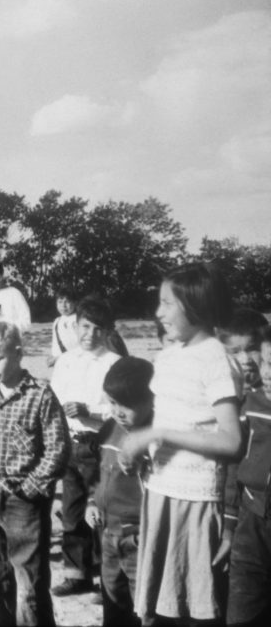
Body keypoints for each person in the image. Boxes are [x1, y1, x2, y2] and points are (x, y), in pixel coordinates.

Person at [120, 262, 242, 625]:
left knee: (192, 610)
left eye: (167, 303)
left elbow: (231, 440)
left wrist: (158, 435)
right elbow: (170, 417)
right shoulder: (170, 354)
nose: (158, 313)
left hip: (195, 500)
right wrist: (141, 450)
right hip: (160, 491)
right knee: (159, 609)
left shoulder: (216, 359)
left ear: (196, 306)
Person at [0, 320, 70, 627]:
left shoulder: (40, 394)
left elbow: (57, 448)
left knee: (29, 577)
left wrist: (31, 487)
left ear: (18, 353)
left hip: (23, 499)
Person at [48, 298, 122, 598]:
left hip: (99, 445)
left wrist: (88, 410)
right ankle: (76, 574)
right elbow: (53, 399)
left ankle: (108, 581)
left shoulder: (113, 364)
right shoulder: (66, 361)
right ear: (75, 325)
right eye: (84, 326)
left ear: (108, 331)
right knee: (72, 513)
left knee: (101, 514)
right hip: (69, 443)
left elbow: (118, 411)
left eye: (97, 328)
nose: (89, 334)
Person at [86, 357, 154, 627]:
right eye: (113, 403)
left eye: (128, 405)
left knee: (145, 606)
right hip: (108, 530)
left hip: (140, 535)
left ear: (151, 400)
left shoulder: (154, 435)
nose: (119, 412)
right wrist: (92, 501)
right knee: (113, 598)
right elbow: (98, 472)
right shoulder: (109, 429)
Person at [224, 322, 271, 627]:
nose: (267, 371)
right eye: (266, 361)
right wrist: (229, 524)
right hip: (251, 519)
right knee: (243, 610)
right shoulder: (250, 405)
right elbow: (232, 464)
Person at [47, 287, 80, 367]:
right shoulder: (57, 322)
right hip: (61, 362)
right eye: (60, 302)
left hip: (77, 361)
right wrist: (54, 357)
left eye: (67, 302)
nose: (63, 305)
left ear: (75, 303)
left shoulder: (78, 320)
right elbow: (55, 344)